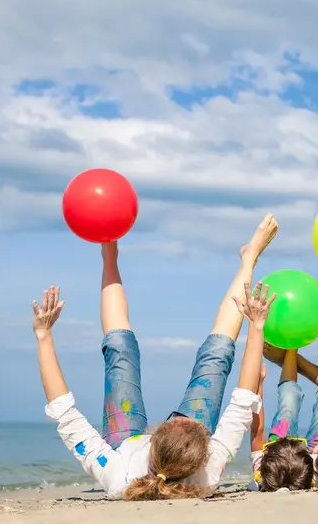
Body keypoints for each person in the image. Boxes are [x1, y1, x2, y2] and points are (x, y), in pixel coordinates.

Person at [37, 214, 279, 500]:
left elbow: (65, 413)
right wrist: (257, 326)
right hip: (180, 448)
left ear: (155, 439)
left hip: (124, 443)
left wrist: (43, 336)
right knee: (218, 355)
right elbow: (243, 397)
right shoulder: (208, 471)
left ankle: (109, 254)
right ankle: (248, 259)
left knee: (119, 350)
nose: (178, 416)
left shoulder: (118, 474)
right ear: (205, 451)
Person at [247, 332, 318, 492]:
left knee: (288, 404)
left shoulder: (261, 474)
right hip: (312, 453)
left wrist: (258, 389)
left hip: (277, 449)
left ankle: (291, 348)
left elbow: (258, 430)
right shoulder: (312, 477)